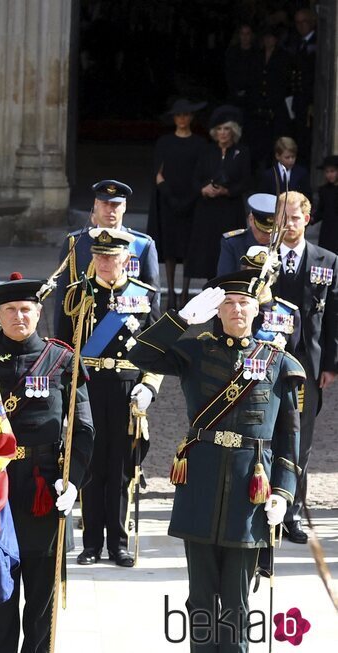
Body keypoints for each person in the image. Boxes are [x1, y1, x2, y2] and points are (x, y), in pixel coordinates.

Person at [128, 271, 303, 653]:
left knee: (238, 603)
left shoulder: (277, 362)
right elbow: (137, 353)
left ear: (257, 310)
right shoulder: (195, 351)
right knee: (201, 599)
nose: (237, 309)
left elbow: (289, 437)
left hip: (250, 489)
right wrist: (179, 321)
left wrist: (284, 494)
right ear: (217, 311)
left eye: (244, 303)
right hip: (201, 482)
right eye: (229, 303)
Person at [0, 274, 94, 653]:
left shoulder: (61, 359)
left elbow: (83, 427)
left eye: (25, 309)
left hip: (46, 488)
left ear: (38, 312)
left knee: (42, 599)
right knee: (0, 593)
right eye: (9, 310)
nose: (18, 317)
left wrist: (73, 481)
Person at [56, 228, 162, 568]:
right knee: (90, 464)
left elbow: (158, 348)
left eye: (111, 256)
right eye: (98, 256)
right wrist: (63, 397)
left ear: (125, 259)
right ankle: (91, 543)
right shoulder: (77, 294)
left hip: (126, 391)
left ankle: (118, 542)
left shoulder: (143, 295)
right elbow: (61, 348)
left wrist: (149, 385)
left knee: (120, 468)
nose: (103, 262)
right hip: (87, 387)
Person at [267, 191, 338, 543]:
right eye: (283, 218)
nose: (289, 225)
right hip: (264, 364)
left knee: (300, 441)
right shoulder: (262, 260)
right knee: (265, 434)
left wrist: (331, 365)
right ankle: (263, 505)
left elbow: (333, 319)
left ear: (307, 220)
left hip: (307, 368)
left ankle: (293, 513)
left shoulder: (327, 260)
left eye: (295, 218)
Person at [55, 180, 159, 325]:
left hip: (124, 330)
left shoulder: (142, 245)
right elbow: (63, 296)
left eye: (115, 205)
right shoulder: (75, 242)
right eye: (105, 203)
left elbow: (152, 296)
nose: (110, 210)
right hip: (84, 330)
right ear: (95, 205)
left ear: (124, 206)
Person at [147, 98, 207, 309]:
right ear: (174, 118)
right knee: (170, 248)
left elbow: (201, 175)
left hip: (192, 201)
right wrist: (171, 198)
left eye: (185, 114)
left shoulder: (200, 144)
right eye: (178, 115)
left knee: (188, 248)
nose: (182, 118)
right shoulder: (164, 142)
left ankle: (184, 293)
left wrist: (190, 199)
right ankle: (171, 292)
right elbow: (158, 174)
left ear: (191, 117)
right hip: (168, 201)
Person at [186, 105, 251, 284]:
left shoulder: (242, 152)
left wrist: (227, 191)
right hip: (208, 210)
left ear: (233, 131)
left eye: (227, 129)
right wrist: (203, 189)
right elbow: (195, 178)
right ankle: (210, 286)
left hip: (230, 209)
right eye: (220, 129)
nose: (223, 133)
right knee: (209, 251)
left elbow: (246, 181)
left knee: (230, 248)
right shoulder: (207, 151)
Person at [249, 28, 294, 171]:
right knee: (257, 140)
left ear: (276, 40)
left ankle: (272, 169)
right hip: (258, 105)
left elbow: (285, 81)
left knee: (274, 140)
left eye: (271, 38)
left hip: (275, 104)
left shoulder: (283, 56)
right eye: (266, 37)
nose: (268, 41)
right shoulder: (257, 55)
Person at [216, 193, 277, 277]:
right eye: (263, 231)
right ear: (251, 220)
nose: (268, 235)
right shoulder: (233, 243)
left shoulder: (283, 243)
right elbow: (224, 280)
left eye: (272, 232)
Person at [291, 8, 317, 166]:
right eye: (298, 23)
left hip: (311, 101)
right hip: (299, 99)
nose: (301, 26)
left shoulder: (317, 42)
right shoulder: (298, 43)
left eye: (304, 22)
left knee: (307, 138)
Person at [224, 24, 260, 116]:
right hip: (234, 95)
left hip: (251, 96)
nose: (245, 37)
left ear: (251, 35)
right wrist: (235, 90)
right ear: (239, 35)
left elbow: (257, 75)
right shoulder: (232, 51)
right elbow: (229, 72)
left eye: (247, 34)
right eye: (242, 34)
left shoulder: (257, 53)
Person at [312, 154, 338, 252]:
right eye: (327, 172)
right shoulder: (324, 190)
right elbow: (321, 210)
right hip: (327, 229)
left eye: (332, 171)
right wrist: (312, 218)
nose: (329, 174)